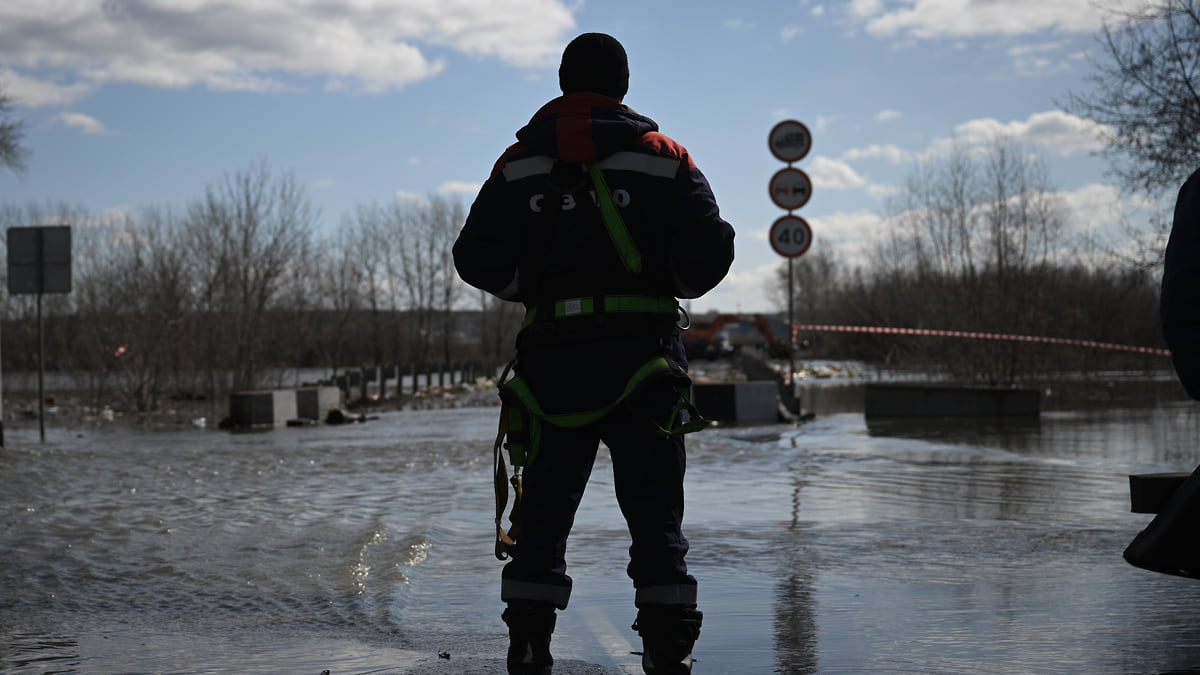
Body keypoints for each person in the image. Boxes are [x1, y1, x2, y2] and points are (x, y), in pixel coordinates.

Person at [453, 32, 735, 675]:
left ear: (561, 82)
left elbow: (473, 256)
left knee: (543, 517)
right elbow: (711, 250)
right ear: (624, 86)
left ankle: (528, 647)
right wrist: (668, 282)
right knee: (655, 517)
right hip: (646, 365)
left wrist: (534, 291)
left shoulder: (516, 162)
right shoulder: (665, 156)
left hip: (552, 364)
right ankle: (667, 654)